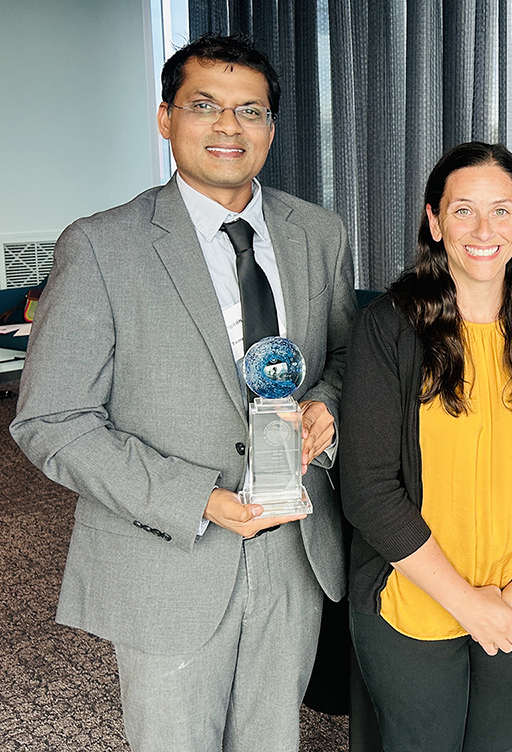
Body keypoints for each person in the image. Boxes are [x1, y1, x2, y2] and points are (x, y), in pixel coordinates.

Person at [10, 33, 356, 751]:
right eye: (204, 106)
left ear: (271, 127)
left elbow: (346, 356)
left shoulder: (318, 234)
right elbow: (52, 420)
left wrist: (327, 404)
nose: (229, 127)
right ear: (165, 118)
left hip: (296, 550)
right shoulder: (103, 245)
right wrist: (196, 499)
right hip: (167, 552)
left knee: (271, 738)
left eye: (250, 111)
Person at [339, 142, 512, 752]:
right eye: (463, 211)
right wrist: (468, 605)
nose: (485, 230)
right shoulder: (390, 327)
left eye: (502, 211)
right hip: (414, 601)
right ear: (434, 220)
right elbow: (368, 490)